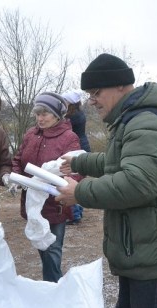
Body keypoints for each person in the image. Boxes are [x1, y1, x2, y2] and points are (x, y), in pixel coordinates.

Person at [55, 53, 157, 308]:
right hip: (140, 249)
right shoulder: (134, 119)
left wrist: (78, 193)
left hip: (152, 254)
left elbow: (137, 183)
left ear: (119, 86)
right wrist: (82, 163)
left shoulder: (146, 122)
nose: (91, 100)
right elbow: (121, 161)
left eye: (96, 92)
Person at [11, 92, 81, 282]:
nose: (40, 118)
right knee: (43, 249)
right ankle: (51, 289)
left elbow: (76, 170)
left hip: (55, 203)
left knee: (52, 253)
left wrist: (60, 182)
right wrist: (16, 178)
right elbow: (18, 159)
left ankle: (54, 292)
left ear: (58, 115)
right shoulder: (31, 134)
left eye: (45, 114)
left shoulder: (69, 137)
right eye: (37, 113)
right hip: (33, 204)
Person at [61, 90, 89, 224]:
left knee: (72, 179)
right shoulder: (78, 113)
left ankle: (75, 214)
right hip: (81, 146)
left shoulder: (73, 117)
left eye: (65, 101)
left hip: (77, 148)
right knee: (76, 179)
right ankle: (77, 210)